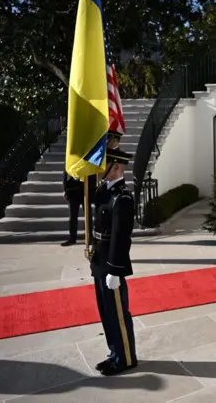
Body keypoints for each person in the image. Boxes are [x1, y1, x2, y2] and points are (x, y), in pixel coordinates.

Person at [90, 146, 137, 376]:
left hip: (111, 263)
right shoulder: (104, 191)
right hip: (99, 260)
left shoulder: (123, 197)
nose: (99, 169)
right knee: (106, 311)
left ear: (116, 167)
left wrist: (115, 271)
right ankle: (115, 352)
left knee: (118, 314)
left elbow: (121, 237)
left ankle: (126, 358)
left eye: (104, 164)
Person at [61, 173, 96, 247]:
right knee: (72, 217)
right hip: (72, 190)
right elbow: (66, 172)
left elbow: (92, 174)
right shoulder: (70, 161)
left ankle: (90, 238)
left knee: (88, 216)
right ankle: (72, 238)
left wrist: (93, 191)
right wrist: (65, 189)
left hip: (85, 190)